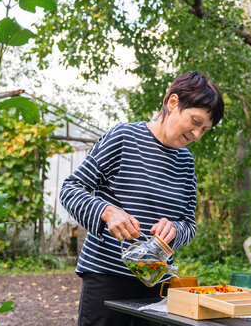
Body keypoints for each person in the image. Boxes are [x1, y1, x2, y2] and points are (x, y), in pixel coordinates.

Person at [60, 71, 224, 326]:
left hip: (157, 284)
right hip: (106, 277)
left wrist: (174, 230)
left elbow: (188, 225)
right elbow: (71, 189)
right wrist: (107, 212)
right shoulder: (123, 138)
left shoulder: (186, 163)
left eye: (204, 129)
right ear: (173, 103)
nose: (197, 134)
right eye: (195, 121)